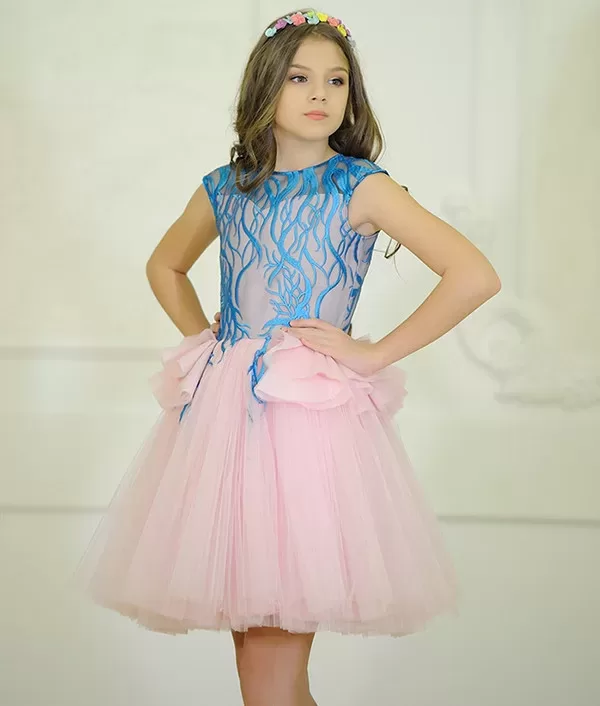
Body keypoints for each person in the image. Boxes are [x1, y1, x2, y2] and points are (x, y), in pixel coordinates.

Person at [74, 8, 501, 706]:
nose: (320, 94)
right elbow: (165, 266)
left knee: (268, 679)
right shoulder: (228, 186)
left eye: (337, 80)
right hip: (226, 433)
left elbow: (474, 275)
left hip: (305, 434)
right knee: (264, 677)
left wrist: (373, 354)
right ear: (265, 87)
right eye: (300, 78)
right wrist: (208, 342)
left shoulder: (359, 186)